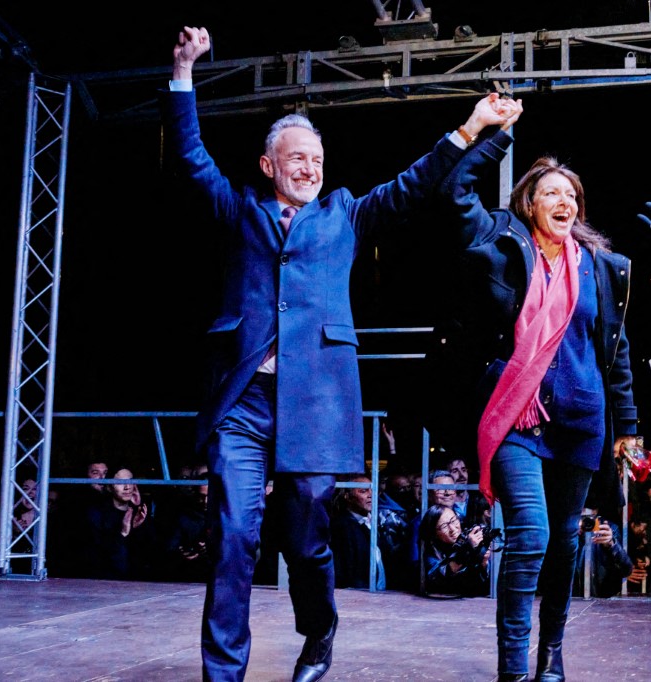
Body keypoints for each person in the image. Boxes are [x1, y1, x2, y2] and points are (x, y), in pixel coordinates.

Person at [164, 26, 518, 682]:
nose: (309, 169)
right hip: (244, 400)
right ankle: (223, 675)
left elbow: (415, 183)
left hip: (316, 402)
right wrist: (184, 70)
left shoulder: (345, 215)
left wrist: (471, 128)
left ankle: (319, 630)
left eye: (317, 160)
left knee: (306, 537)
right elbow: (189, 155)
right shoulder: (238, 208)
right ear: (269, 165)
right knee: (235, 537)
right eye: (296, 158)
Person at [430, 98, 639, 682]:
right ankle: (513, 668)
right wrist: (493, 136)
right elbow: (451, 191)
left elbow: (614, 350)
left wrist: (629, 427)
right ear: (528, 203)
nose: (564, 202)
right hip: (517, 420)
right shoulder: (502, 243)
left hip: (581, 422)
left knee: (566, 545)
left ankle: (552, 653)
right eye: (551, 193)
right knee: (532, 537)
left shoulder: (602, 267)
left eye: (571, 194)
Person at [418, 504, 491, 597]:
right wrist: (465, 552)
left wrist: (484, 561)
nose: (453, 529)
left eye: (453, 520)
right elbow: (435, 579)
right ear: (435, 533)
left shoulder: (468, 537)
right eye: (444, 526)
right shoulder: (432, 550)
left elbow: (490, 584)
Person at [330, 475, 384, 590]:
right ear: (348, 497)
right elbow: (344, 568)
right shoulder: (343, 526)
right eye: (363, 491)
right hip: (358, 594)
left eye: (373, 490)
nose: (371, 495)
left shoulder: (374, 520)